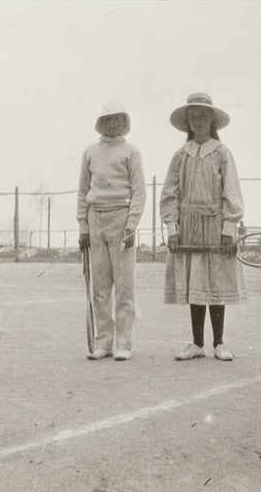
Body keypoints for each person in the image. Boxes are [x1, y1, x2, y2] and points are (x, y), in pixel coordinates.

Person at [160, 93, 246, 361]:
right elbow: (169, 194)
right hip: (188, 227)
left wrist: (228, 230)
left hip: (215, 226)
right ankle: (197, 344)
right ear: (187, 122)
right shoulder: (180, 155)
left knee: (215, 281)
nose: (197, 121)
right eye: (192, 117)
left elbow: (231, 191)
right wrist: (172, 230)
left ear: (212, 121)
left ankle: (218, 343)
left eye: (202, 116)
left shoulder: (222, 154)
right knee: (195, 281)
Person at [77, 101, 146, 361]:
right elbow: (83, 192)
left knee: (124, 285)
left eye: (117, 119)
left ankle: (124, 343)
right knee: (100, 286)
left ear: (124, 121)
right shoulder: (90, 152)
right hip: (95, 220)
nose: (112, 124)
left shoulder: (131, 152)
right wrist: (83, 226)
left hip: (121, 218)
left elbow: (139, 191)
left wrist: (132, 225)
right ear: (101, 123)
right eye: (108, 120)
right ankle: (103, 342)